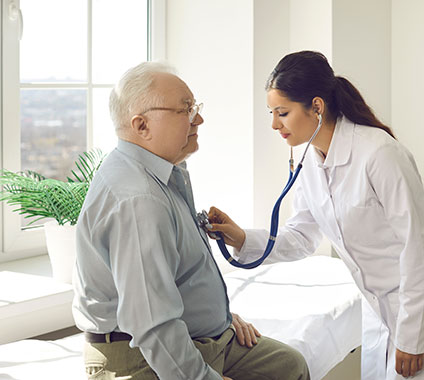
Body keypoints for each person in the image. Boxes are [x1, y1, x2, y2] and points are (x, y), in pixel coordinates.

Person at [207, 51, 424, 380]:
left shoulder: (379, 153)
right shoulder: (311, 162)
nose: (274, 124)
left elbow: (420, 247)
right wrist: (241, 237)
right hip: (381, 310)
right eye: (272, 113)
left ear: (316, 106)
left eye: (282, 113)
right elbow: (301, 237)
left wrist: (413, 339)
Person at [72, 61, 310, 380]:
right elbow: (152, 324)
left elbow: (172, 278)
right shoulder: (139, 200)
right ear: (141, 126)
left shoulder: (167, 172)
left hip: (201, 337)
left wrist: (221, 317)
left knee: (288, 367)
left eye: (195, 106)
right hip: (139, 356)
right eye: (185, 109)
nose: (198, 118)